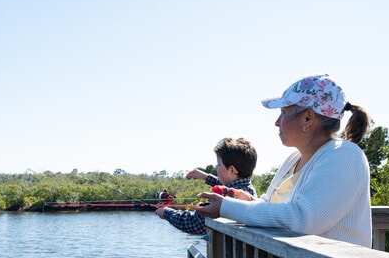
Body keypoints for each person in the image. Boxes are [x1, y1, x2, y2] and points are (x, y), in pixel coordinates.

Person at [195, 74, 372, 247]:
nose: (277, 122)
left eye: (283, 112)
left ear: (308, 118)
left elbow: (302, 219)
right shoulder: (293, 159)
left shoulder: (344, 155)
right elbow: (273, 206)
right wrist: (249, 202)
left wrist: (226, 207)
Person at [156, 137, 258, 235]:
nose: (215, 167)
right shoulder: (247, 189)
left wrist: (166, 213)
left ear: (232, 170)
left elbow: (193, 224)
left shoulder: (227, 198)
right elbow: (229, 185)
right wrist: (206, 177)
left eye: (218, 164)